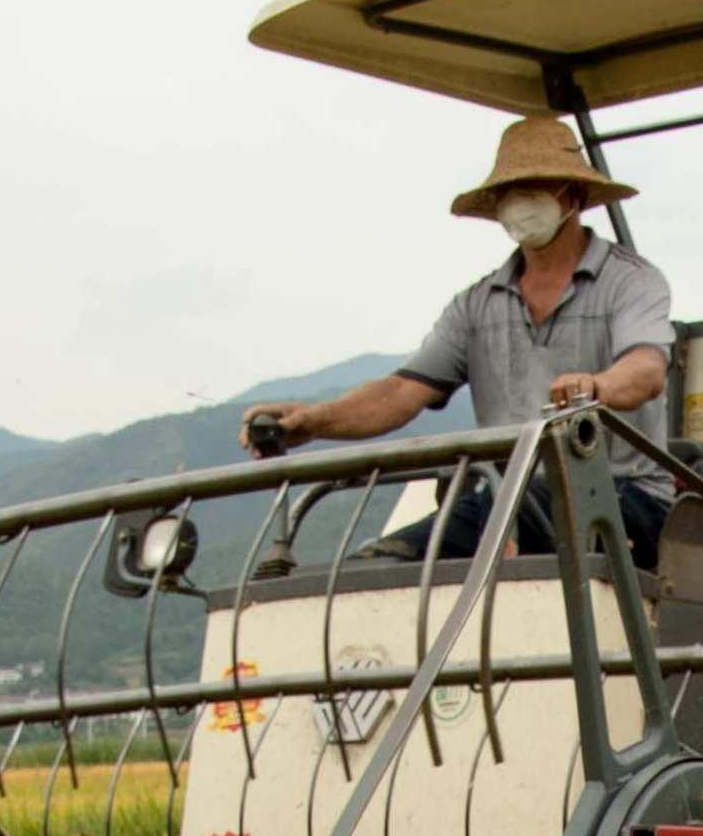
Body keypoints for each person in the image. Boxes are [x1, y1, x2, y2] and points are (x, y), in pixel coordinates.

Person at [243, 118, 673, 558]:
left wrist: (596, 387)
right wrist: (313, 421)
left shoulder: (631, 281)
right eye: (511, 191)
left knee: (513, 516)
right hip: (508, 499)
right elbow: (402, 391)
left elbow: (645, 371)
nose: (521, 203)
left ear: (574, 195)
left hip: (625, 495)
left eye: (536, 188)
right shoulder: (476, 306)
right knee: (387, 561)